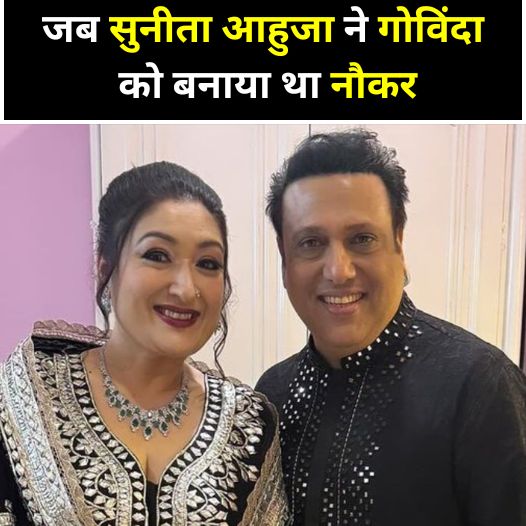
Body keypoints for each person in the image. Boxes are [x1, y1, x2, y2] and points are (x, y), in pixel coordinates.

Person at [255, 128, 526, 526]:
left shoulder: (479, 385)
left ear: (399, 244)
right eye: (311, 243)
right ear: (284, 261)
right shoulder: (272, 395)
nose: (338, 271)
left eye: (362, 239)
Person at [0, 161, 290, 525]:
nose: (186, 288)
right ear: (105, 269)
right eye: (157, 255)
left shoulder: (248, 423)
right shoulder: (26, 393)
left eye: (208, 263)